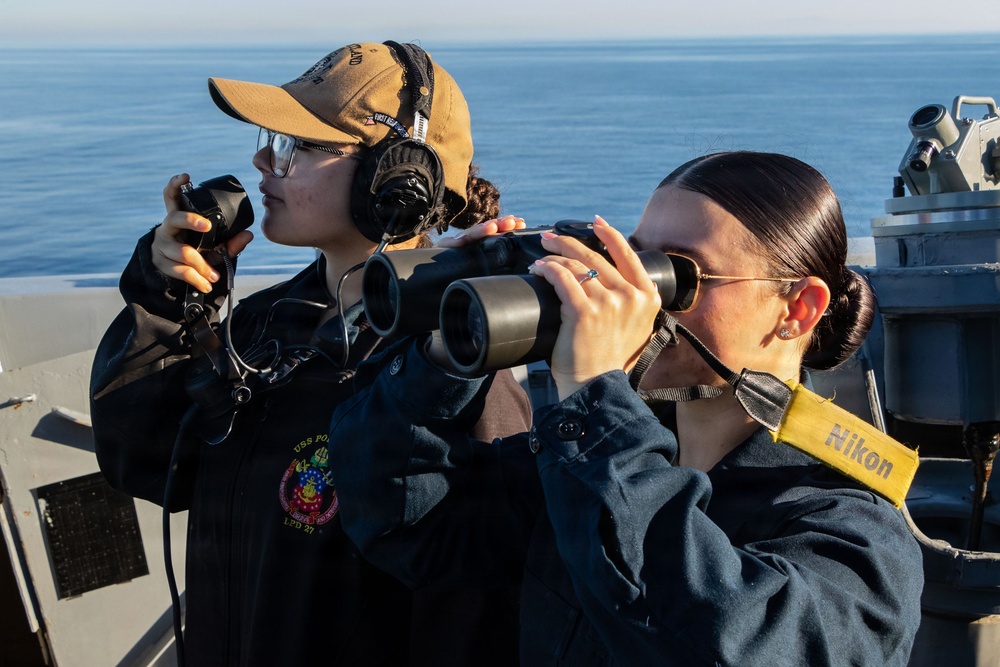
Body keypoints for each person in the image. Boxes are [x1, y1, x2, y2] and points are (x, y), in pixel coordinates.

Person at [327, 151, 924, 665]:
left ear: (797, 309)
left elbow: (720, 640)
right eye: (630, 261)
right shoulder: (574, 465)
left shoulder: (853, 534)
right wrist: (439, 357)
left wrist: (593, 392)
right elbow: (404, 522)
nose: (633, 297)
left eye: (676, 274)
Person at [90, 41, 531, 666]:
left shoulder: (455, 369)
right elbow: (146, 460)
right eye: (275, 135)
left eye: (300, 143)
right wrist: (168, 303)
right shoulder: (267, 322)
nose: (264, 159)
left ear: (395, 177)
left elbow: (472, 619)